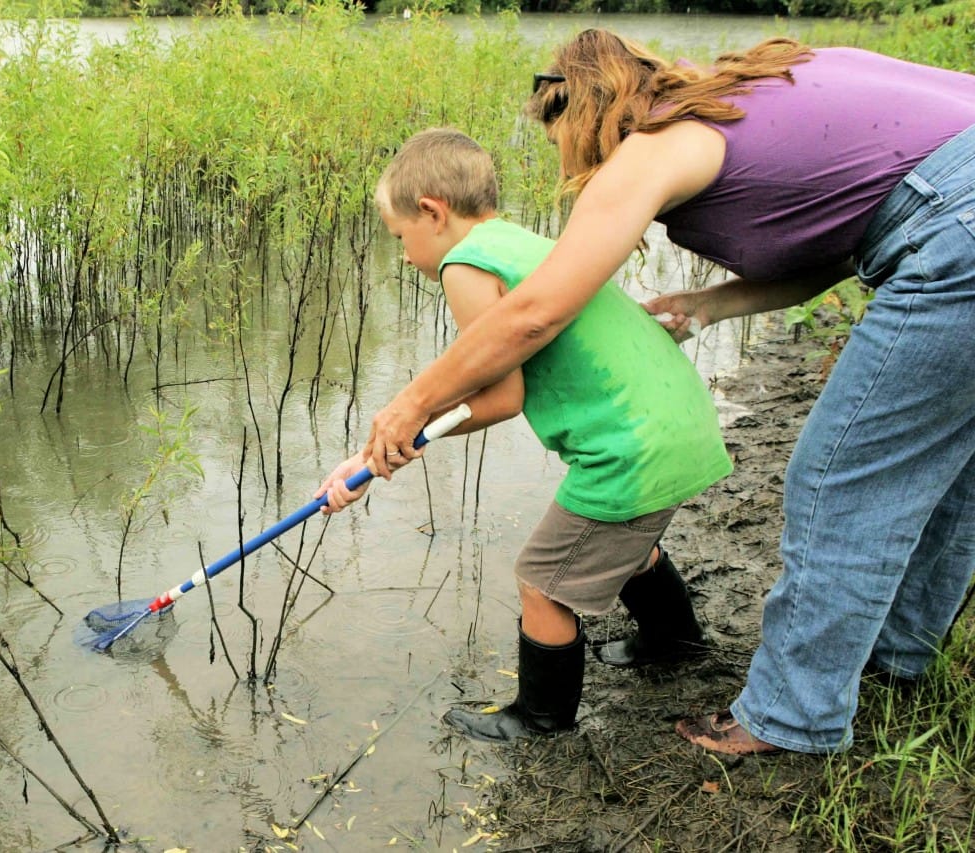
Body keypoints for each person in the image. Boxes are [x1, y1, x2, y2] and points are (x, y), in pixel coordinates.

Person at [361, 30, 975, 755]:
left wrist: (409, 405)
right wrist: (712, 305)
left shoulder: (654, 144)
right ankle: (893, 656)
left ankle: (793, 715)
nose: (566, 165)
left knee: (839, 482)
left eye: (558, 140)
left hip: (955, 227)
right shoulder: (750, 93)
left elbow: (535, 313)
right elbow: (852, 236)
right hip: (946, 210)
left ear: (584, 116)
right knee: (946, 467)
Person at [316, 127, 733, 742]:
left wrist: (396, 445)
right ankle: (673, 647)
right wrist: (384, 444)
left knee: (542, 581)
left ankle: (540, 720)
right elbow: (485, 373)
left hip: (630, 450)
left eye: (401, 238)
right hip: (678, 425)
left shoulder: (465, 263)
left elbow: (502, 397)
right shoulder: (522, 242)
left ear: (433, 212)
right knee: (622, 542)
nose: (404, 256)